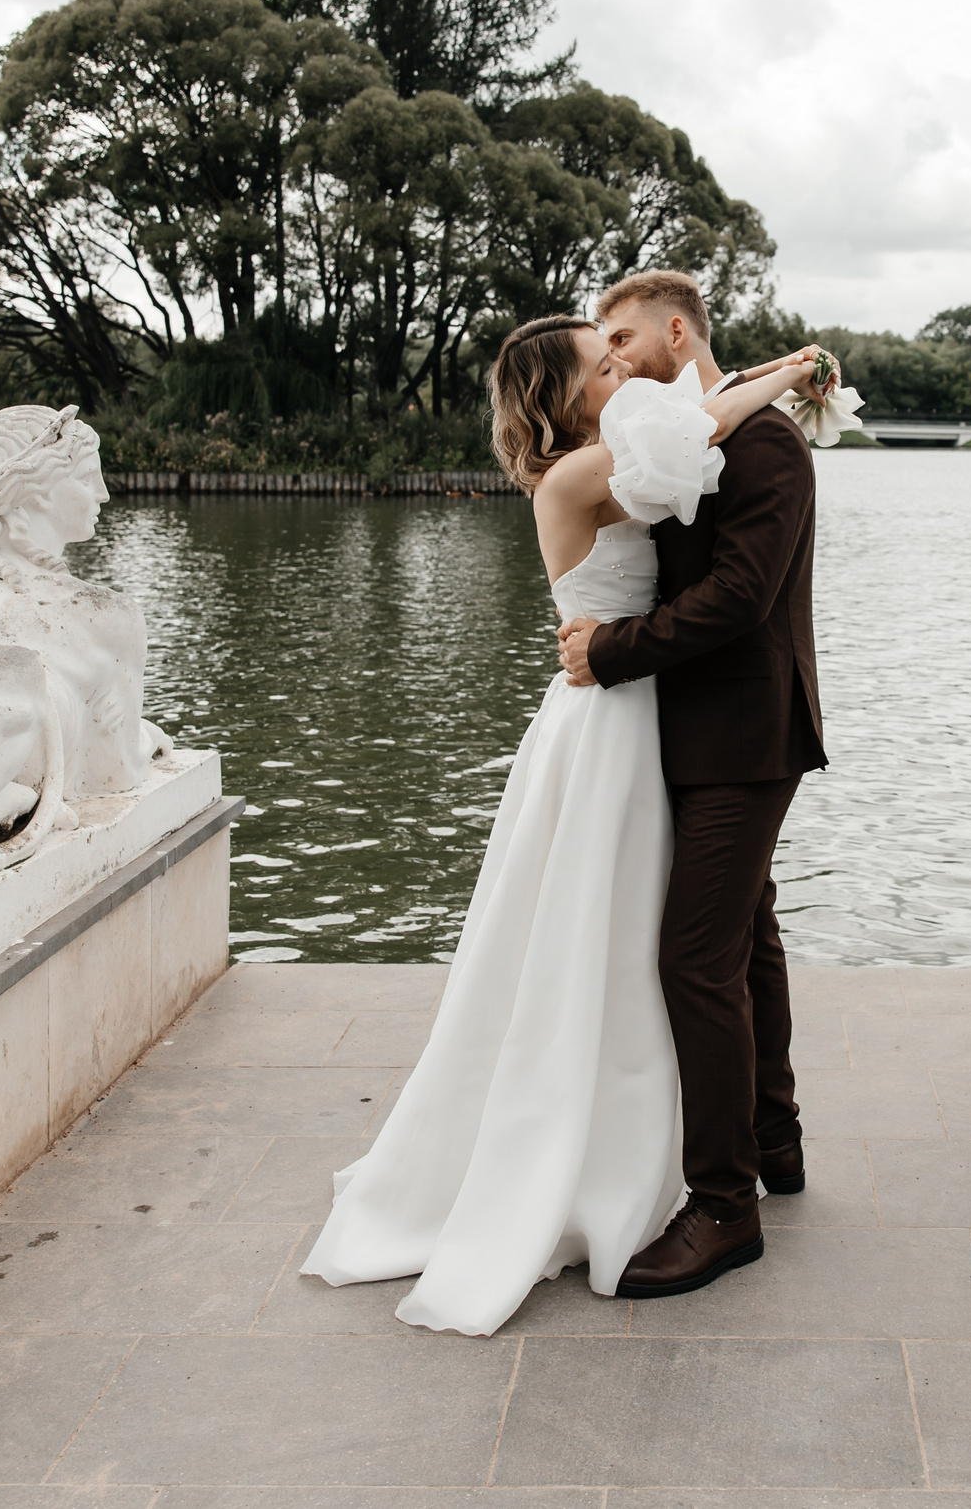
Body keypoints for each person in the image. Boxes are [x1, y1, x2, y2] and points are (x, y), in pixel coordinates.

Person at [297, 302, 828, 1336]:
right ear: (566, 395)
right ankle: (715, 1178)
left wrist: (782, 371)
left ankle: (758, 1153)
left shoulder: (638, 447)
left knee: (699, 939)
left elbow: (707, 426)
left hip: (658, 716)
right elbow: (704, 425)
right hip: (611, 726)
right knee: (641, 941)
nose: (617, 365)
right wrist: (798, 368)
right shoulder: (577, 477)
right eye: (599, 360)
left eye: (621, 344)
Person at [557, 269, 828, 1299]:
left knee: (692, 962)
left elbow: (737, 598)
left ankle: (723, 1208)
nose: (614, 357)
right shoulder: (686, 439)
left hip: (747, 735)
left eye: (624, 338)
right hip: (682, 732)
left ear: (680, 331)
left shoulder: (764, 447)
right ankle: (775, 1138)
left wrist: (610, 652)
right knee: (748, 934)